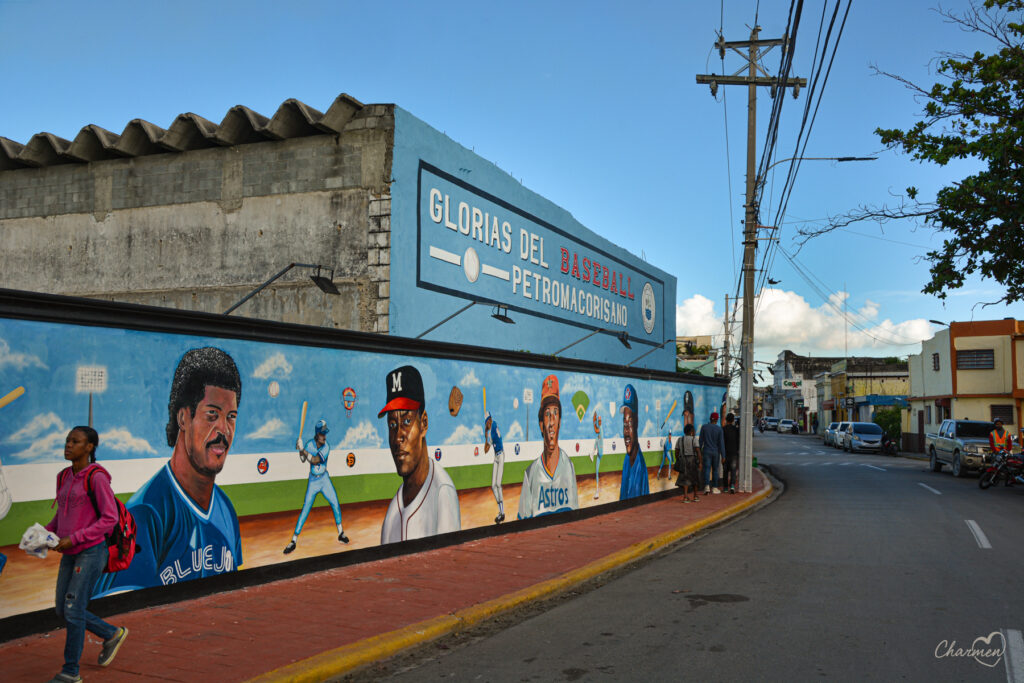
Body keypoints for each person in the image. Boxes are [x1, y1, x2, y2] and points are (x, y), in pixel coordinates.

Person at [94, 347, 243, 597]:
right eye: (212, 415)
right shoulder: (145, 515)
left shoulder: (226, 510)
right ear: (184, 418)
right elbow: (125, 617)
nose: (224, 430)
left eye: (231, 417)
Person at [47, 427, 128, 682]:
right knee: (63, 608)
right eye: (67, 441)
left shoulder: (97, 478)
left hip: (91, 552)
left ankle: (71, 672)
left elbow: (109, 518)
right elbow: (63, 514)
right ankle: (111, 634)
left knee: (73, 609)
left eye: (75, 441)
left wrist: (75, 537)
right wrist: (45, 534)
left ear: (89, 447)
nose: (68, 445)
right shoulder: (63, 477)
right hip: (70, 552)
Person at [378, 365, 460, 543]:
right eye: (392, 425)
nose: (398, 436)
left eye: (407, 421)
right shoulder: (391, 514)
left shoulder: (442, 494)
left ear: (423, 423)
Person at [518, 374, 579, 518]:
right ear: (541, 425)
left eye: (555, 413)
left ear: (560, 423)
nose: (551, 422)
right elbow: (522, 522)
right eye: (547, 414)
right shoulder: (530, 474)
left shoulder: (569, 467)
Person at [283, 419, 349, 554]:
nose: (325, 436)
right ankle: (294, 540)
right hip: (313, 481)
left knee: (335, 502)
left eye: (325, 434)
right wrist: (300, 449)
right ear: (317, 434)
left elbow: (314, 460)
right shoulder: (309, 444)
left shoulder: (326, 447)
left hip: (324, 479)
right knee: (306, 509)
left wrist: (303, 450)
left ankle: (341, 532)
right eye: (322, 434)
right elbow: (303, 460)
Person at [619, 383, 650, 500]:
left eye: (630, 423)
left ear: (636, 423)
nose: (626, 430)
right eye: (624, 424)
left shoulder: (640, 467)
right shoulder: (626, 461)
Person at [484, 411, 506, 523]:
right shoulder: (490, 432)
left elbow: (493, 429)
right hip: (496, 458)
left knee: (498, 484)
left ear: (489, 420)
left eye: (487, 422)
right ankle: (500, 511)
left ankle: (502, 513)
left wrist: (487, 431)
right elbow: (486, 450)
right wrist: (485, 437)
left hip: (501, 455)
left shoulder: (494, 425)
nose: (486, 424)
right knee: (493, 485)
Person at [699, 412, 727, 495]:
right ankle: (714, 487)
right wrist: (723, 456)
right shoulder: (719, 429)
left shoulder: (704, 427)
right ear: (717, 419)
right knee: (715, 470)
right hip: (716, 452)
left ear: (710, 419)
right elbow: (721, 444)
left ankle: (707, 487)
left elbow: (700, 441)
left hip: (706, 451)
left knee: (707, 469)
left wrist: (699, 452)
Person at [674, 423, 702, 502]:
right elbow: (698, 451)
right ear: (691, 431)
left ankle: (685, 497)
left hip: (683, 460)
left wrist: (678, 459)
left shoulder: (680, 439)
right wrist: (700, 462)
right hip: (693, 460)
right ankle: (695, 496)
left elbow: (677, 451)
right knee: (695, 478)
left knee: (685, 478)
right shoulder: (694, 439)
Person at [722, 412, 740, 493]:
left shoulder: (723, 429)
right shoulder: (736, 430)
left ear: (726, 420)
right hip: (734, 452)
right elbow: (738, 441)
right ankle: (732, 486)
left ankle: (725, 487)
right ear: (733, 420)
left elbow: (722, 442)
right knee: (733, 470)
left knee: (725, 471)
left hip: (725, 452)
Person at [590, 412, 604, 499]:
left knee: (596, 439)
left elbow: (596, 429)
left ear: (601, 422)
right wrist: (594, 420)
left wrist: (594, 420)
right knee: (597, 472)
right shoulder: (598, 434)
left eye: (600, 420)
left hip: (600, 453)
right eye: (598, 420)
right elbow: (595, 429)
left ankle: (592, 453)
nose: (599, 422)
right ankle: (597, 490)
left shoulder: (601, 429)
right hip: (599, 454)